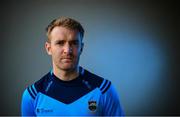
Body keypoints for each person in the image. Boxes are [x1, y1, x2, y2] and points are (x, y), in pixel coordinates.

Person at [21, 17, 124, 116]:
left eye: (74, 43)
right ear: (48, 48)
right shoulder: (33, 95)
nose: (67, 50)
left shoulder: (103, 90)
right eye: (60, 43)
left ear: (81, 48)